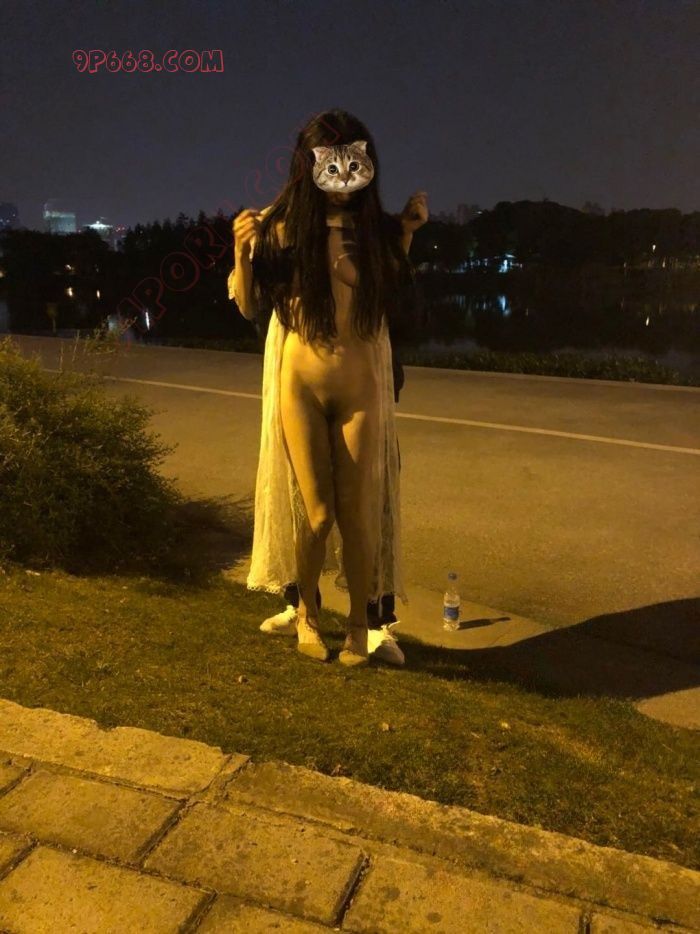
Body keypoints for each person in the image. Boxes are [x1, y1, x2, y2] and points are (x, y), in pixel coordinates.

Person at [229, 108, 427, 667]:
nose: (342, 180)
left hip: (361, 384)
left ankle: (362, 626)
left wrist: (406, 234)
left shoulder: (376, 231)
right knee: (316, 515)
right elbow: (248, 306)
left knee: (358, 514)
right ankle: (307, 615)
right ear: (308, 165)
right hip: (301, 384)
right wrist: (241, 253)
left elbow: (391, 299)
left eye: (354, 166)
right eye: (330, 166)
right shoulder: (281, 228)